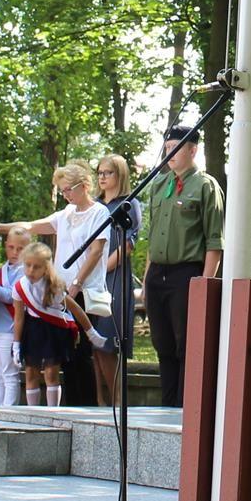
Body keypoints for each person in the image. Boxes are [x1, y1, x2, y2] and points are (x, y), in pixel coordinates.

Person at [0, 164, 111, 404]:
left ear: (83, 185)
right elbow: (32, 226)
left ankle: (84, 405)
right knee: (65, 354)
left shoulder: (99, 213)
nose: (65, 195)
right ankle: (70, 404)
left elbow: (96, 252)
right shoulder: (66, 213)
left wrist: (76, 283)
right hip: (59, 292)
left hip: (83, 291)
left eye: (67, 190)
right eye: (62, 190)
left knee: (81, 351)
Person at [143, 125, 224, 407]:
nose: (170, 154)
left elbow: (214, 241)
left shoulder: (205, 186)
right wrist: (146, 278)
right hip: (158, 274)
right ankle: (167, 404)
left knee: (185, 344)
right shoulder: (158, 185)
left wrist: (205, 284)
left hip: (186, 273)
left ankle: (185, 407)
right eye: (167, 148)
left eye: (176, 148)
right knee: (162, 343)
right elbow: (154, 235)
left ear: (192, 150)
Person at [11, 240, 104, 406]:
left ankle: (52, 412)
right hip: (32, 329)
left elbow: (76, 310)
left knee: (50, 374)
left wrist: (91, 333)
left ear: (46, 268)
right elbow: (19, 317)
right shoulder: (19, 287)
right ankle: (34, 413)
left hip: (51, 330)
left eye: (37, 267)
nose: (31, 270)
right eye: (28, 265)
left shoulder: (54, 288)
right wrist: (16, 344)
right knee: (31, 373)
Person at [91, 154, 142, 409]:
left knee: (108, 341)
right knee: (93, 343)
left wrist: (101, 269)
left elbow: (127, 246)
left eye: (107, 172)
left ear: (119, 175)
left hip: (113, 279)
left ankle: (117, 400)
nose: (102, 177)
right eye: (99, 172)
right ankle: (100, 400)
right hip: (90, 279)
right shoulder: (94, 205)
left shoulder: (129, 204)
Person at [0, 225, 32, 406]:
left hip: (9, 329)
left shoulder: (26, 271)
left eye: (20, 249)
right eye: (11, 247)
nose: (15, 252)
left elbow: (12, 296)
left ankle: (8, 414)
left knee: (9, 375)